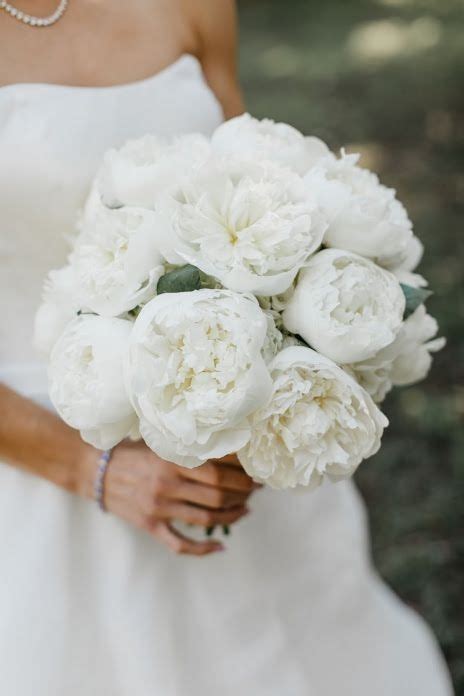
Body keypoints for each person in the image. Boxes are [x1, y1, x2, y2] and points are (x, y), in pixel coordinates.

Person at [0, 1, 453, 694]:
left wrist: (286, 336)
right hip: (44, 457)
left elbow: (249, 170)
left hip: (243, 430)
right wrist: (94, 467)